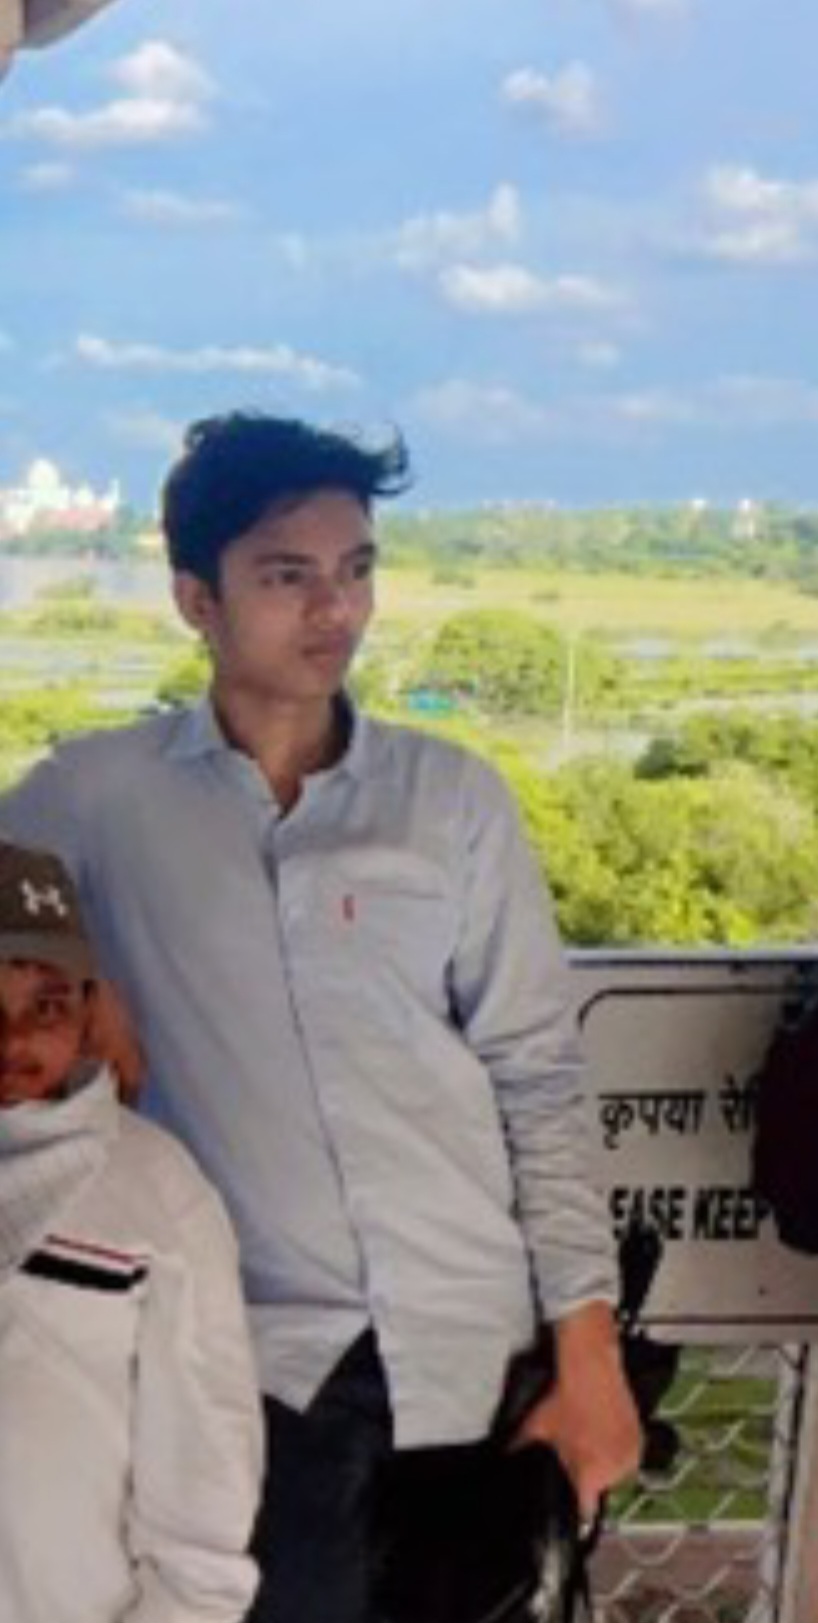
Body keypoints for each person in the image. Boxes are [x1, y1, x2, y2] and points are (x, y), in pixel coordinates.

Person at [0, 412, 641, 1623]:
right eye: (286, 576)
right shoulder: (91, 800)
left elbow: (537, 1081)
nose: (333, 609)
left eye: (355, 570)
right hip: (253, 1375)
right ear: (196, 598)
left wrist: (588, 1354)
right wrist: (88, 991)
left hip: (474, 1361)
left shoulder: (451, 803)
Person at [0, 837, 263, 1623]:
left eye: (46, 1005)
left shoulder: (157, 1189)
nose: (13, 1040)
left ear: (90, 1009)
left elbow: (205, 1488)